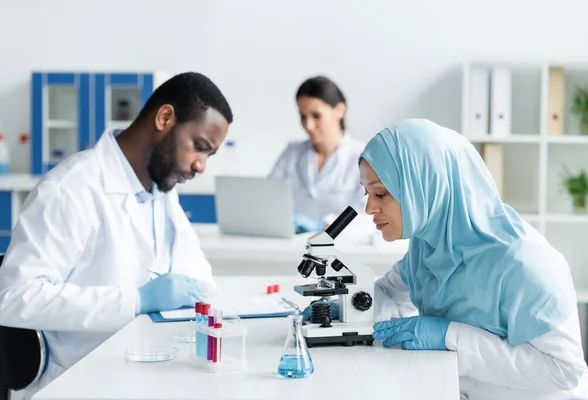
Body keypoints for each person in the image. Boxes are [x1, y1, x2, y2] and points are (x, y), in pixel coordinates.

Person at [305, 119, 588, 399]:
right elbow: (391, 294)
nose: (369, 208)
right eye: (367, 192)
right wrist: (345, 312)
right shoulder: (430, 244)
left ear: (426, 186)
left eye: (381, 193)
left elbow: (564, 370)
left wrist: (452, 338)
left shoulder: (525, 263)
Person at [0, 72, 233, 398]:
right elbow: (13, 298)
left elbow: (200, 280)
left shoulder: (162, 191)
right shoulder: (71, 189)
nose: (201, 166)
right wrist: (137, 300)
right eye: (199, 147)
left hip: (140, 375)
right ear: (165, 118)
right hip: (73, 384)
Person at [269, 76, 368, 233]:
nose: (308, 125)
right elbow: (268, 200)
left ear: (339, 110)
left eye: (316, 116)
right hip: (292, 247)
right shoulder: (291, 153)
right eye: (303, 116)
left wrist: (324, 225)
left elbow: (369, 216)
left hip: (342, 248)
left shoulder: (364, 158)